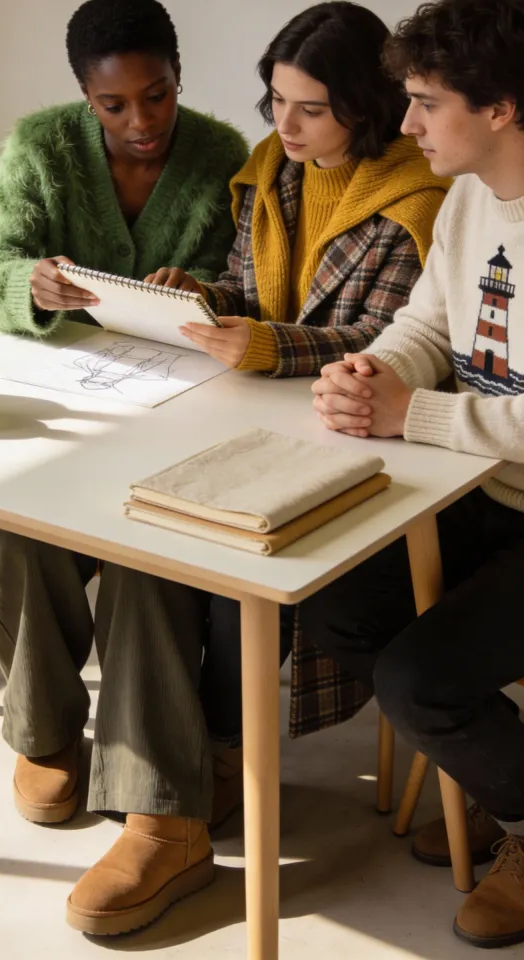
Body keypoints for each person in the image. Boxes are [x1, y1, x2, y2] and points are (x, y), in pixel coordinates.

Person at [108, 0, 448, 827]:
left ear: (364, 107)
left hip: (356, 436)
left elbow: (381, 338)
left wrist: (262, 343)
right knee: (149, 535)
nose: (283, 123)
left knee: (234, 572)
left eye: (308, 107)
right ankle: (174, 748)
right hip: (250, 412)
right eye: (275, 100)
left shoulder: (418, 195)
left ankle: (226, 749)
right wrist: (202, 299)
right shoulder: (273, 170)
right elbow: (257, 295)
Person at [0, 0, 248, 937]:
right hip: (74, 397)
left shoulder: (223, 153)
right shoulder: (41, 148)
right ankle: (45, 733)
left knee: (143, 548)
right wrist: (26, 285)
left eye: (155, 95)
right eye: (112, 105)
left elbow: (254, 280)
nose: (139, 121)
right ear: (83, 97)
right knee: (18, 522)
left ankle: (161, 806)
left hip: (187, 413)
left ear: (177, 74)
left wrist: (202, 293)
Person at [307, 0, 524, 947]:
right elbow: (433, 323)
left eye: (427, 103)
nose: (405, 125)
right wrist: (376, 373)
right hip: (483, 487)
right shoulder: (472, 195)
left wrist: (417, 414)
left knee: (420, 680)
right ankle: (490, 774)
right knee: (332, 606)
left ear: (503, 108)